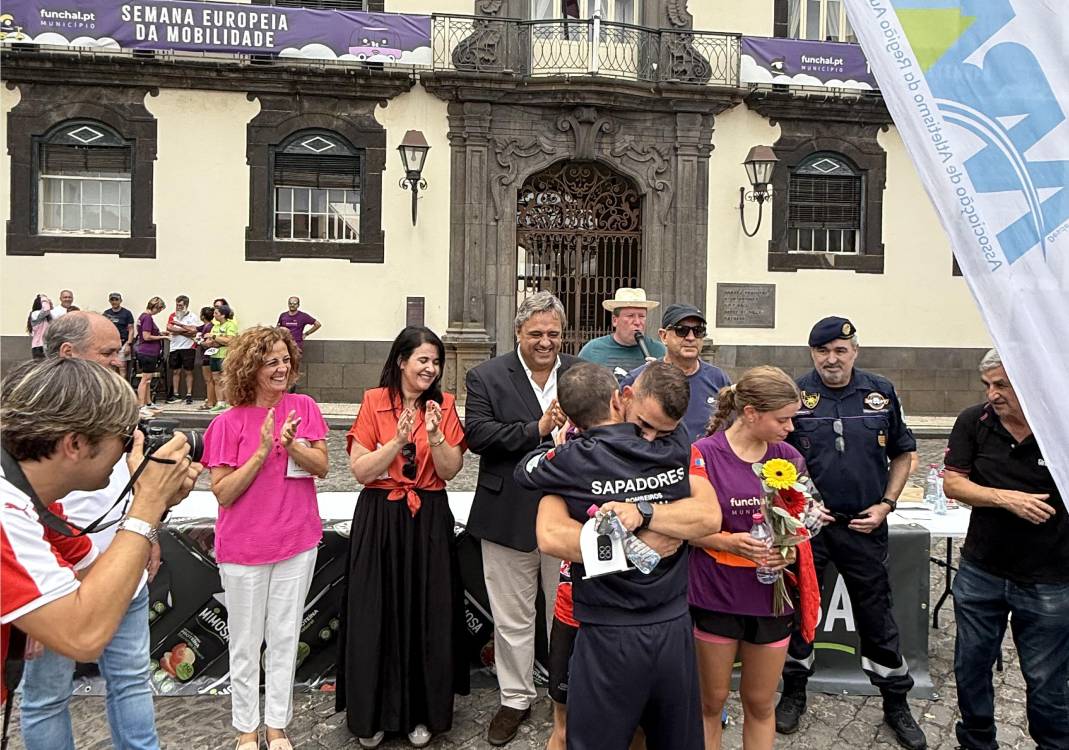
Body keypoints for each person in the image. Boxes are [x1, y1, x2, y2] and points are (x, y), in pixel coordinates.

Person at [516, 361, 721, 750]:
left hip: (663, 622)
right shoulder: (672, 446)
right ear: (621, 399)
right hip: (612, 624)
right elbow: (551, 537)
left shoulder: (578, 457)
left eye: (663, 430)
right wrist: (638, 548)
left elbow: (709, 516)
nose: (650, 438)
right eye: (644, 424)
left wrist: (643, 512)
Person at [0, 357, 197, 706]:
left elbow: (94, 573)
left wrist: (155, 505)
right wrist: (147, 502)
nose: (127, 452)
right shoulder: (6, 511)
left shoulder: (36, 503)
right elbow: (82, 635)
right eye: (125, 439)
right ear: (75, 444)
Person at [776, 316, 925, 750]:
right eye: (823, 351)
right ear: (812, 353)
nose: (832, 359)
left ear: (855, 352)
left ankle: (895, 702)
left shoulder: (880, 393)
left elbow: (903, 453)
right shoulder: (796, 396)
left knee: (877, 616)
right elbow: (775, 458)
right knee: (801, 613)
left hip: (865, 526)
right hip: (812, 529)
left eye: (840, 350)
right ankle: (794, 691)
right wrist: (803, 504)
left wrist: (887, 504)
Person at [20, 312, 162, 750]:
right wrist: (31, 603)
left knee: (133, 681)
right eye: (107, 352)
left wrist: (146, 534)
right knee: (47, 697)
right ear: (68, 353)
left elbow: (126, 480)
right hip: (56, 583)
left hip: (119, 568)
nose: (119, 360)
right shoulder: (36, 425)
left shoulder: (111, 400)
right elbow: (32, 513)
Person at [338, 326, 468, 748]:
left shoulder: (445, 405)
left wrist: (435, 435)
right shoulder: (374, 401)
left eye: (436, 362)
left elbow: (450, 470)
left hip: (428, 515)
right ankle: (373, 714)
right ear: (401, 361)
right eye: (423, 360)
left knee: (428, 611)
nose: (431, 369)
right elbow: (361, 471)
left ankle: (422, 713)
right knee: (376, 612)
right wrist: (395, 441)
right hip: (381, 515)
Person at [201, 326, 328, 750]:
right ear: (249, 367)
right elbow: (223, 492)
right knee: (245, 642)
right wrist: (260, 452)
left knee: (285, 637)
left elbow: (322, 467)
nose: (281, 368)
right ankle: (246, 728)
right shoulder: (227, 422)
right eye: (271, 361)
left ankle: (276, 726)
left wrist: (292, 447)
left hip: (296, 541)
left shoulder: (304, 407)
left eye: (285, 359)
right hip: (243, 550)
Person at [464, 291, 576, 746]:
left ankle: (566, 694)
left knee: (566, 614)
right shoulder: (486, 376)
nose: (545, 342)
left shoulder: (581, 373)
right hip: (506, 515)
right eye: (536, 334)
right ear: (517, 333)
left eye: (553, 333)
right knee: (511, 617)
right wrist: (539, 429)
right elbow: (478, 436)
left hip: (568, 516)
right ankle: (514, 698)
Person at [942, 350, 1069, 750]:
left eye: (1002, 385)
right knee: (971, 667)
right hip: (982, 569)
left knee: (1047, 680)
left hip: (1050, 577)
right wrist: (1004, 498)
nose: (992, 394)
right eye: (988, 385)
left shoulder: (1060, 424)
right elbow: (953, 483)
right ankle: (976, 741)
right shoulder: (974, 421)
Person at [690, 367, 820, 750]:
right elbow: (684, 528)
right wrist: (729, 543)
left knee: (761, 703)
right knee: (711, 702)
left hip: (771, 599)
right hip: (717, 594)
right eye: (782, 419)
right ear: (750, 413)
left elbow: (811, 517)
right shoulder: (704, 454)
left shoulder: (788, 457)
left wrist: (789, 548)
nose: (790, 428)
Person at [620, 303, 731, 442]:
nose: (691, 337)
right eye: (682, 330)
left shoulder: (718, 379)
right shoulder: (638, 379)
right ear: (663, 336)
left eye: (698, 331)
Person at [577, 287, 665, 378]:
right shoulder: (592, 350)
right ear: (615, 320)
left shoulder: (659, 351)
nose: (637, 322)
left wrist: (660, 375)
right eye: (630, 316)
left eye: (642, 316)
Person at [134, 297, 169, 418]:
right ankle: (141, 405)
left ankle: (148, 402)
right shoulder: (148, 318)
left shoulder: (142, 316)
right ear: (155, 307)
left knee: (148, 379)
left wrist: (159, 333)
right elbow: (146, 336)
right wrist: (163, 338)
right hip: (147, 352)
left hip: (147, 351)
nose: (158, 312)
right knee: (145, 379)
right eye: (159, 310)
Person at [202, 304, 238, 413]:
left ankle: (228, 402)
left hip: (226, 355)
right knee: (216, 379)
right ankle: (220, 402)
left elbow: (230, 340)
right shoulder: (215, 326)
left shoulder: (230, 325)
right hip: (214, 355)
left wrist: (214, 338)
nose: (214, 315)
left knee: (225, 379)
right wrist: (212, 341)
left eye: (216, 313)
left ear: (223, 315)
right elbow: (209, 341)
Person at [166, 295, 200, 405]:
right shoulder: (173, 316)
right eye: (177, 305)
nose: (178, 307)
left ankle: (189, 394)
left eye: (180, 305)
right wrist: (185, 330)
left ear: (186, 305)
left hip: (188, 347)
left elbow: (194, 332)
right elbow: (169, 328)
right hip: (175, 347)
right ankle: (175, 394)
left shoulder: (193, 317)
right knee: (175, 371)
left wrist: (178, 330)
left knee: (188, 371)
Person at [103, 292, 136, 376]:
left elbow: (131, 329)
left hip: (123, 342)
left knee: (122, 367)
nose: (114, 302)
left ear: (120, 301)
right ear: (109, 301)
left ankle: (122, 384)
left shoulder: (127, 313)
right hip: (110, 343)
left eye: (116, 300)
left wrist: (128, 344)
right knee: (111, 367)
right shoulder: (106, 313)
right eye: (112, 300)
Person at [196, 307, 218, 411]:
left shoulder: (208, 327)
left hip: (207, 356)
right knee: (211, 380)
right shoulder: (209, 326)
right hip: (209, 355)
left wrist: (199, 341)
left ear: (203, 316)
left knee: (209, 380)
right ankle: (213, 400)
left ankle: (210, 402)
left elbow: (207, 343)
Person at [27, 295, 55, 360]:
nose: (50, 302)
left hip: (48, 346)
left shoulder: (49, 316)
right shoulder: (35, 314)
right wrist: (44, 298)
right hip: (39, 346)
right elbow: (46, 309)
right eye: (47, 301)